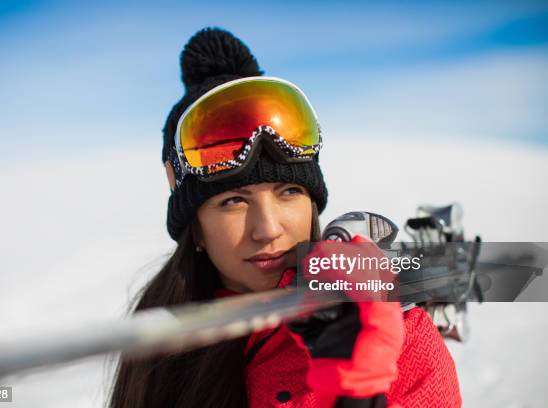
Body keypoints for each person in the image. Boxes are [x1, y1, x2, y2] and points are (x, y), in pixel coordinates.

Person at [109, 28, 461, 408]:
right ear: (195, 227)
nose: (268, 229)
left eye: (289, 192)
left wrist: (357, 391)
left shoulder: (398, 336)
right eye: (233, 201)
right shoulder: (160, 340)